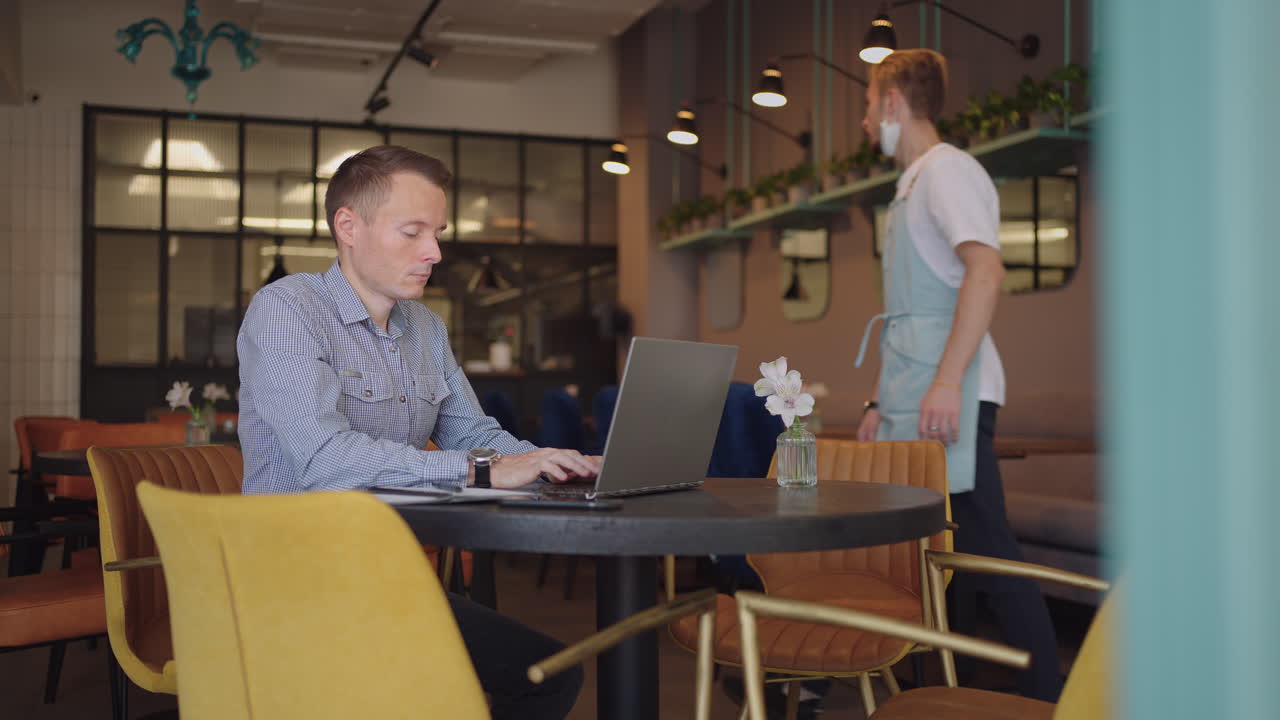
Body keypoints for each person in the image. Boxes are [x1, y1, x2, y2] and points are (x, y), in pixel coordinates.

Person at [237, 145, 598, 719]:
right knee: (471, 690)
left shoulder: (424, 327)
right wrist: (483, 470)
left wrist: (556, 459)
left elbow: (470, 432)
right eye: (412, 232)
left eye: (438, 233)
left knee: (550, 673)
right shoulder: (287, 309)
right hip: (293, 580)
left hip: (381, 575)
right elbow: (325, 460)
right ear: (348, 227)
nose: (433, 252)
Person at [854, 49, 1062, 702]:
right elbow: (916, 312)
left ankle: (1049, 699)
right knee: (944, 558)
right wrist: (875, 399)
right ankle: (951, 688)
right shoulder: (914, 181)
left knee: (987, 554)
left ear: (891, 102)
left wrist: (945, 383)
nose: (863, 123)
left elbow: (985, 272)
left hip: (952, 397)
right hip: (920, 393)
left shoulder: (948, 172)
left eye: (866, 106)